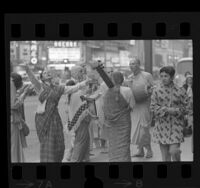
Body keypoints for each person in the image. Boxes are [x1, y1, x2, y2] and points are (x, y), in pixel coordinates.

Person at [23, 63, 91, 162]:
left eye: (48, 72)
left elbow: (73, 88)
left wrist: (85, 82)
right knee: (48, 142)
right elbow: (33, 80)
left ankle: (57, 161)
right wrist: (28, 70)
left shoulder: (58, 88)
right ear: (42, 77)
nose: (47, 74)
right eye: (45, 73)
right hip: (43, 119)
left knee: (59, 144)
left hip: (55, 118)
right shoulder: (40, 87)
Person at [150, 66, 189, 161]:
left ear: (172, 77)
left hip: (176, 126)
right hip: (161, 127)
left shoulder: (180, 89)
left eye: (166, 76)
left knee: (174, 151)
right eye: (161, 76)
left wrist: (175, 111)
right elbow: (152, 107)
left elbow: (187, 107)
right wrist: (166, 110)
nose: (163, 78)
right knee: (165, 158)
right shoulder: (156, 90)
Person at [67, 65, 98, 162]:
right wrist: (86, 94)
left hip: (85, 113)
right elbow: (77, 98)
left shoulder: (82, 82)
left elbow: (84, 95)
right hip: (79, 115)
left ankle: (85, 158)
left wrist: (89, 92)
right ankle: (75, 160)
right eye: (80, 71)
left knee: (85, 138)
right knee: (81, 139)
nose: (82, 73)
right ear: (74, 73)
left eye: (83, 71)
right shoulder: (72, 83)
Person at [103, 71, 135, 162]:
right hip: (124, 122)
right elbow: (132, 105)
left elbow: (104, 107)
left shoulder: (108, 91)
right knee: (124, 144)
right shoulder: (127, 90)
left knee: (113, 144)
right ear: (122, 79)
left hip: (112, 123)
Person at [126, 57, 154, 158]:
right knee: (136, 130)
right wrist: (129, 85)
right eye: (130, 64)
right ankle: (140, 150)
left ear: (139, 65)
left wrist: (148, 91)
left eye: (133, 63)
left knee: (144, 129)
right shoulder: (129, 78)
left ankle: (149, 150)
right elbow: (128, 93)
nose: (131, 65)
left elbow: (154, 88)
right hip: (135, 106)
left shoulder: (147, 75)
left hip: (145, 105)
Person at [10, 72, 31, 162]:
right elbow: (14, 104)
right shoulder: (10, 83)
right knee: (14, 147)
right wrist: (25, 93)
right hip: (12, 120)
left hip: (13, 120)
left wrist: (23, 91)